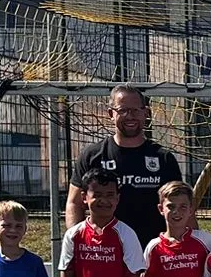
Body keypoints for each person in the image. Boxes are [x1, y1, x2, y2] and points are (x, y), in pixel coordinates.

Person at [66, 86, 186, 247]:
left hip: (152, 251)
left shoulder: (163, 158)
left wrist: (187, 245)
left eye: (136, 110)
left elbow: (181, 205)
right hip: (104, 251)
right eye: (123, 110)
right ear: (111, 114)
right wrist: (77, 242)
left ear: (146, 113)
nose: (130, 116)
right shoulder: (92, 156)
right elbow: (74, 203)